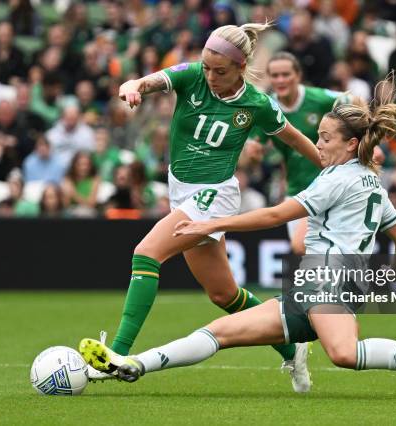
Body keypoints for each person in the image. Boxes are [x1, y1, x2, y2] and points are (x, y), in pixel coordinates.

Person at [80, 81, 396, 399]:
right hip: (312, 284)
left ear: (350, 144)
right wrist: (384, 281)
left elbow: (277, 215)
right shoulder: (373, 185)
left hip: (329, 282)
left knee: (345, 355)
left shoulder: (336, 179)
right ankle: (132, 364)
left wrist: (209, 226)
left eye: (326, 138)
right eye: (319, 136)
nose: (318, 145)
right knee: (219, 332)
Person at [86, 23, 323, 392]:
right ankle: (293, 348)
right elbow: (150, 81)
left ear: (241, 67)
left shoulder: (256, 105)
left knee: (146, 254)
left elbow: (294, 139)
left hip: (215, 194)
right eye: (208, 67)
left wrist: (333, 170)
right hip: (182, 192)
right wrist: (133, 86)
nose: (211, 76)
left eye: (221, 71)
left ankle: (116, 354)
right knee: (224, 295)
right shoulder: (192, 75)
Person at [252, 52, 346, 255]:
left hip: (328, 186)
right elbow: (254, 149)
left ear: (298, 75)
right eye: (275, 75)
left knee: (301, 245)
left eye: (286, 74)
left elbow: (351, 100)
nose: (280, 80)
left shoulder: (319, 99)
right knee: (308, 252)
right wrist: (253, 152)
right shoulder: (266, 107)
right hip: (295, 190)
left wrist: (369, 144)